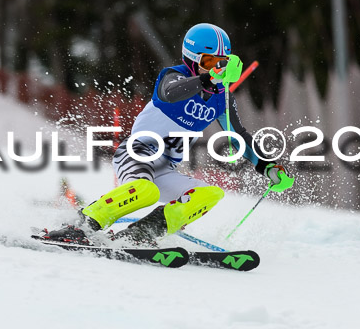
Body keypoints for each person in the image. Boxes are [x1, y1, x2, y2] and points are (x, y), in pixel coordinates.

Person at [42, 23, 287, 245]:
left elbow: (238, 135)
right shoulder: (173, 76)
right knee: (146, 192)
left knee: (210, 193)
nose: (216, 69)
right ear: (192, 58)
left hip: (165, 167)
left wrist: (266, 166)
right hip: (136, 154)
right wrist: (207, 79)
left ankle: (144, 232)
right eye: (209, 62)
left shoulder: (221, 97)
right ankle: (81, 225)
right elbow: (171, 93)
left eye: (221, 63)